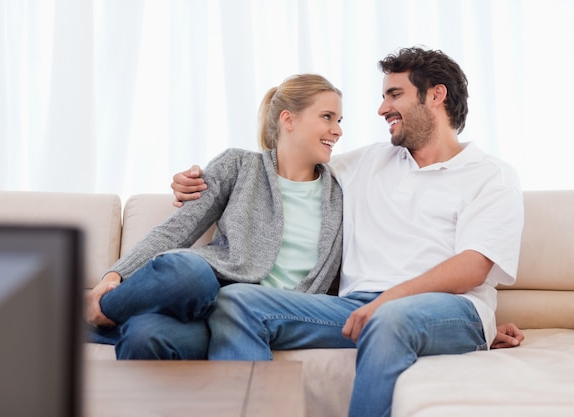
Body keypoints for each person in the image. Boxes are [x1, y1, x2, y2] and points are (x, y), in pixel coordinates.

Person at [171, 47, 525, 417]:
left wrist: (390, 301)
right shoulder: (368, 162)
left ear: (436, 95)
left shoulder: (491, 175)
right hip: (355, 309)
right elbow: (285, 163)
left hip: (450, 309)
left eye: (395, 94)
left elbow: (472, 267)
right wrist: (200, 183)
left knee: (389, 320)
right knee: (237, 302)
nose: (382, 108)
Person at [84, 73, 345, 360]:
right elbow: (176, 230)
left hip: (274, 317)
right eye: (327, 117)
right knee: (179, 285)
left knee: (148, 328)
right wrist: (113, 275)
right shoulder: (239, 165)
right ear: (288, 119)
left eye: (339, 121)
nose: (337, 130)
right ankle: (98, 308)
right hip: (208, 304)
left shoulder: (343, 189)